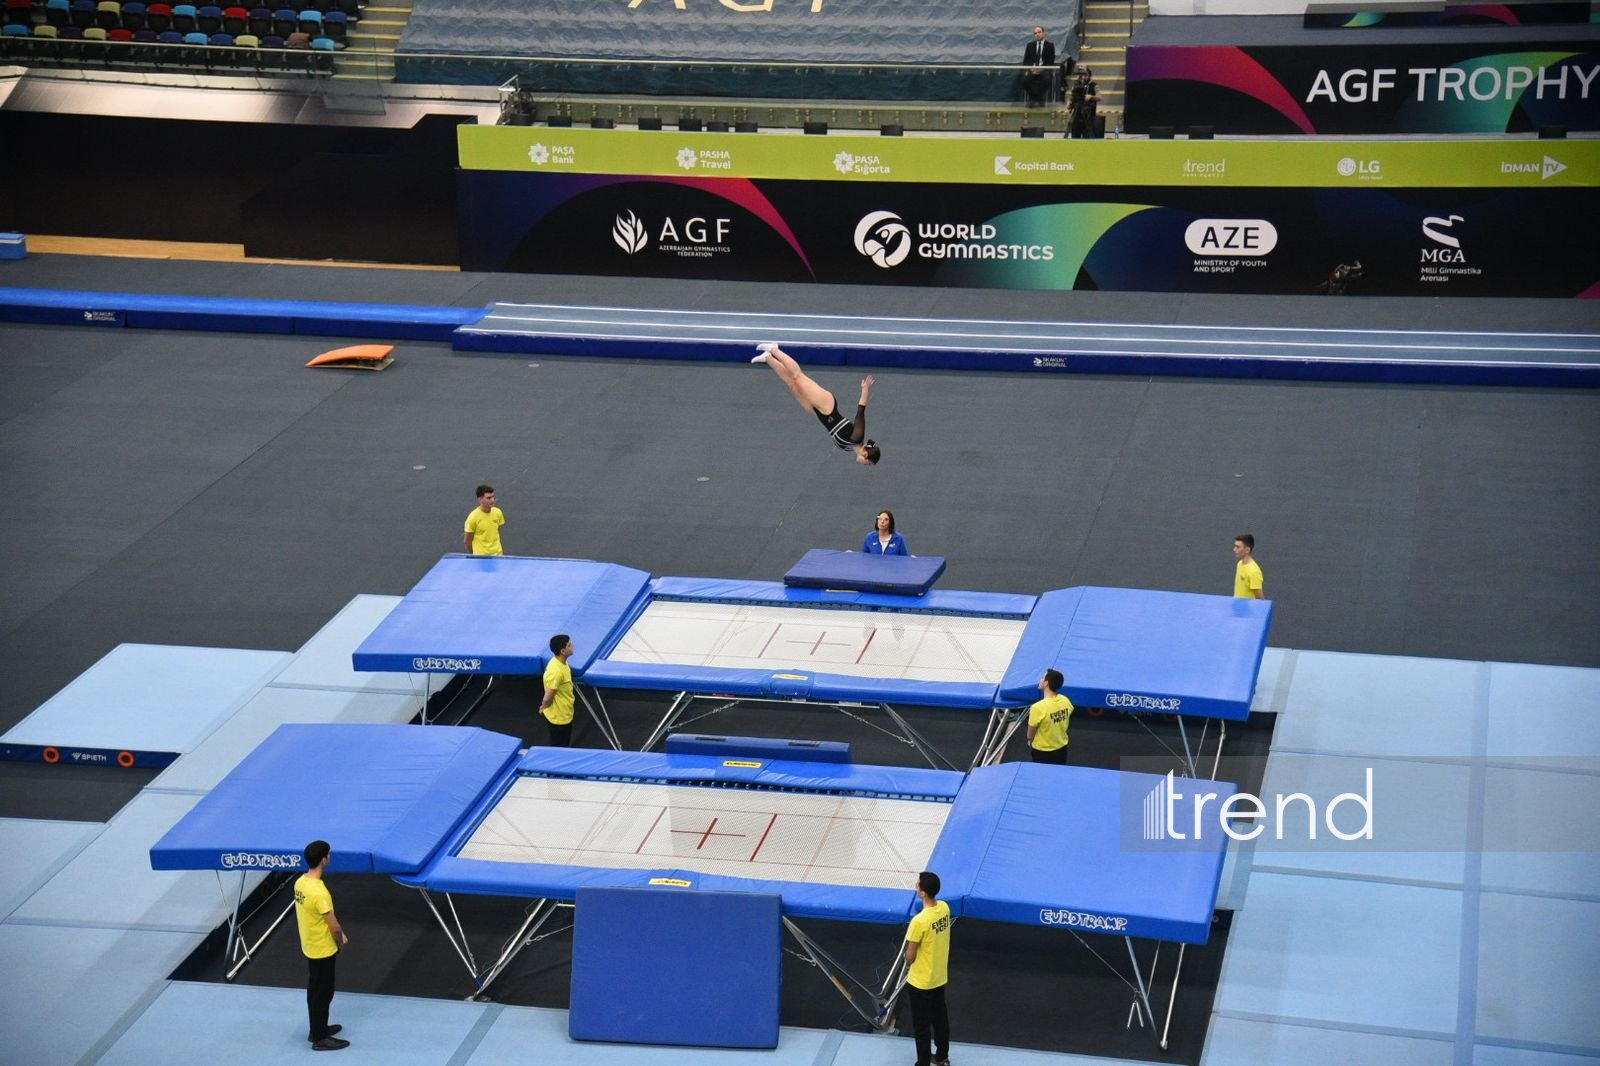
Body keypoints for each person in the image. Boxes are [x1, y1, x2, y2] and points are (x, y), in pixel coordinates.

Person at [752, 343, 880, 465]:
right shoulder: (858, 437)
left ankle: (768, 358)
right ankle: (775, 349)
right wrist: (865, 389)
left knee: (793, 385)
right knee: (798, 377)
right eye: (868, 463)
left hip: (820, 414)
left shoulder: (849, 448)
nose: (865, 465)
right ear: (865, 454)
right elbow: (860, 412)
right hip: (827, 405)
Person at [294, 839, 350, 1052]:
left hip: (309, 944)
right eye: (329, 854)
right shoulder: (320, 893)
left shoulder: (300, 883)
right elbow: (333, 925)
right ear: (324, 859)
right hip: (322, 948)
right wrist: (341, 940)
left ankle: (316, 1029)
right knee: (324, 992)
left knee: (314, 990)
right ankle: (320, 1038)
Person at [903, 870, 952, 1066]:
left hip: (921, 982)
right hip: (939, 977)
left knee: (921, 1025)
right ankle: (942, 1057)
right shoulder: (945, 909)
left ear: (923, 893)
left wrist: (908, 958)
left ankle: (923, 1062)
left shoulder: (919, 921)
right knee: (940, 1019)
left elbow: (910, 956)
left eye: (918, 885)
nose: (916, 886)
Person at [1027, 668, 1073, 764]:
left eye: (1042, 678)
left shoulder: (1037, 708)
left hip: (1042, 751)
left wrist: (1030, 741)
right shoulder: (1065, 700)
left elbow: (1030, 734)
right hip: (1061, 748)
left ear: (1046, 683)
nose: (1040, 680)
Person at [539, 633, 575, 747]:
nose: (572, 646)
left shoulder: (560, 662)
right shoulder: (556, 672)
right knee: (560, 745)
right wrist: (543, 706)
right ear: (563, 651)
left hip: (564, 711)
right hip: (559, 717)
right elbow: (549, 696)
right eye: (569, 645)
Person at [463, 484, 505, 556]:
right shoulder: (473, 517)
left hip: (498, 555)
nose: (492, 500)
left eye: (493, 497)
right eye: (488, 498)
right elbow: (467, 541)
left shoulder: (498, 513)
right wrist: (475, 554)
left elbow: (496, 530)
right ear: (480, 499)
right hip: (481, 557)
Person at [1022, 25, 1055, 108]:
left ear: (1044, 33)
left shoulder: (1050, 46)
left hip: (1044, 70)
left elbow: (1050, 62)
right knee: (1024, 80)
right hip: (1032, 70)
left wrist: (1041, 69)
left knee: (1047, 79)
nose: (1037, 34)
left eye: (1039, 32)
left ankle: (1035, 98)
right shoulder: (1030, 45)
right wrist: (1031, 69)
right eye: (1035, 33)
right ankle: (1038, 98)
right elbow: (1026, 61)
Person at [1067, 66, 1098, 138]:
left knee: (1087, 134)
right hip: (1077, 112)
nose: (1084, 77)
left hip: (1087, 113)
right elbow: (1072, 96)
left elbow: (1099, 97)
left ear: (1089, 75)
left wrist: (1091, 97)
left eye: (1086, 75)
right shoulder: (1077, 85)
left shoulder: (1094, 85)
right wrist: (1069, 103)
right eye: (1082, 75)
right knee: (1075, 132)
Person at [1233, 533, 1265, 599]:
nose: (1234, 549)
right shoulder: (1239, 564)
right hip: (1238, 607)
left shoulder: (1254, 572)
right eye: (1235, 546)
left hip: (1247, 609)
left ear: (1247, 550)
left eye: (1238, 547)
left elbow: (1261, 600)